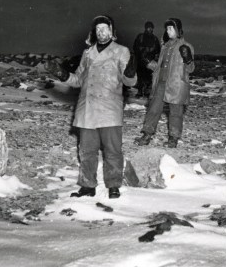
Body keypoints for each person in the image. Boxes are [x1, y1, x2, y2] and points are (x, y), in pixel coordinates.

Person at [46, 15, 137, 199]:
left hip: (109, 109)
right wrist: (62, 74)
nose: (101, 32)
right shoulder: (88, 53)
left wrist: (130, 72)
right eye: (98, 29)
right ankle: (87, 185)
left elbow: (130, 81)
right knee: (87, 151)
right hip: (87, 109)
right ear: (94, 32)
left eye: (105, 28)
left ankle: (113, 185)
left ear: (112, 31)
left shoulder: (121, 51)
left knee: (113, 151)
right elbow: (79, 80)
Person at [134, 18, 194, 148]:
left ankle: (173, 138)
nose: (168, 31)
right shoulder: (165, 47)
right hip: (161, 83)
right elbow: (161, 67)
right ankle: (146, 135)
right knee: (153, 109)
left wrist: (188, 60)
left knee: (175, 112)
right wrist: (149, 63)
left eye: (171, 28)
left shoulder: (187, 47)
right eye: (167, 29)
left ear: (178, 30)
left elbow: (191, 69)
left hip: (177, 84)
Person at [132, 21, 161, 98]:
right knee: (140, 77)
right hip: (141, 61)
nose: (150, 29)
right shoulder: (140, 37)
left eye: (151, 28)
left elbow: (158, 50)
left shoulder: (155, 39)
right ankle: (140, 91)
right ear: (145, 28)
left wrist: (154, 58)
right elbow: (135, 47)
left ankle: (148, 92)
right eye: (148, 27)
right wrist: (142, 55)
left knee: (149, 77)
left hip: (150, 62)